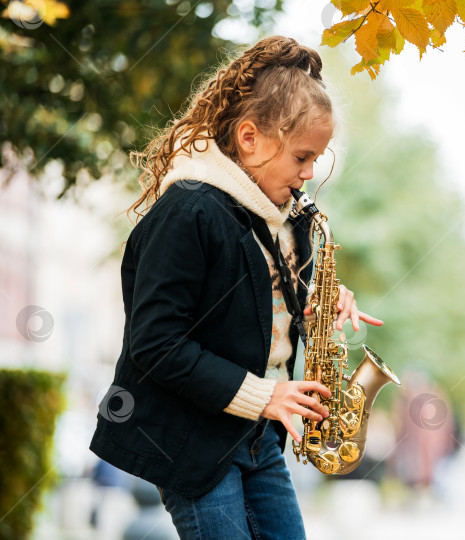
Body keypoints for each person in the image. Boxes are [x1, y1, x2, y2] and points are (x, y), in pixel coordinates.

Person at [89, 35, 382, 540]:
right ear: (250, 138)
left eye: (318, 159)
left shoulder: (279, 219)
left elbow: (248, 306)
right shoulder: (188, 210)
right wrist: (266, 397)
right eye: (302, 157)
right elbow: (155, 344)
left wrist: (313, 301)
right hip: (195, 441)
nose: (310, 175)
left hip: (257, 440)